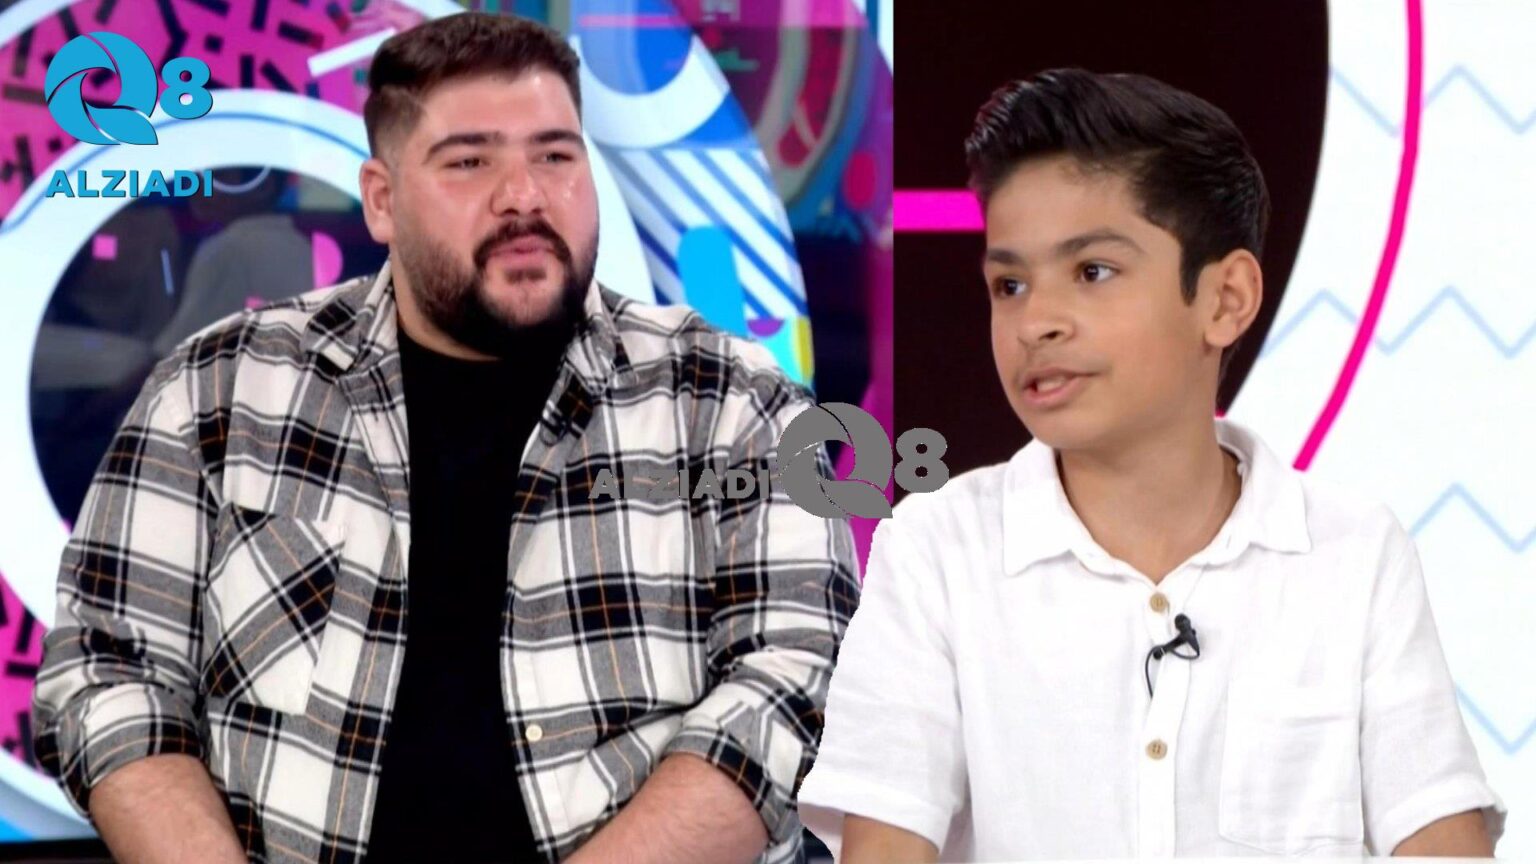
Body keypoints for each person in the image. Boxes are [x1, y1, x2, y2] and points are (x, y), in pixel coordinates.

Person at [31, 12, 858, 864]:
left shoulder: (731, 400)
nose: (524, 195)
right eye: (470, 161)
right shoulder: (220, 388)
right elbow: (107, 672)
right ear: (381, 200)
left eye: (555, 156)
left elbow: (797, 678)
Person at [795, 68, 1505, 862]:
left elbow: (1442, 839)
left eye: (1092, 272)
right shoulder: (936, 550)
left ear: (1226, 300)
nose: (1036, 322)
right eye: (1010, 284)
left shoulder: (1353, 552)